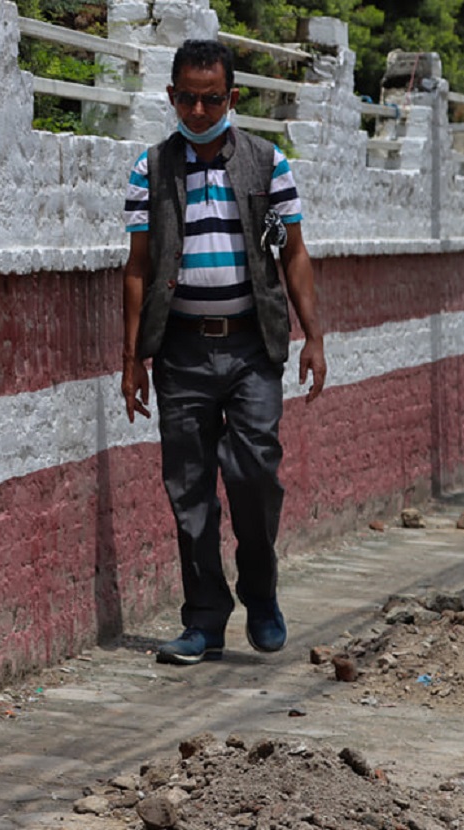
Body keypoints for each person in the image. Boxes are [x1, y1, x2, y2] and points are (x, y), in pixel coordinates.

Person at [120, 39, 327, 665]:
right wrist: (132, 358)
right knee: (189, 489)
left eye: (213, 99)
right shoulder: (150, 170)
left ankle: (260, 597)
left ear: (231, 98)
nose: (201, 109)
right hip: (180, 354)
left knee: (254, 474)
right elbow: (137, 268)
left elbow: (293, 253)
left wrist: (313, 335)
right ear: (172, 97)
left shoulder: (268, 163)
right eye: (188, 98)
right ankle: (204, 621)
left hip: (252, 350)